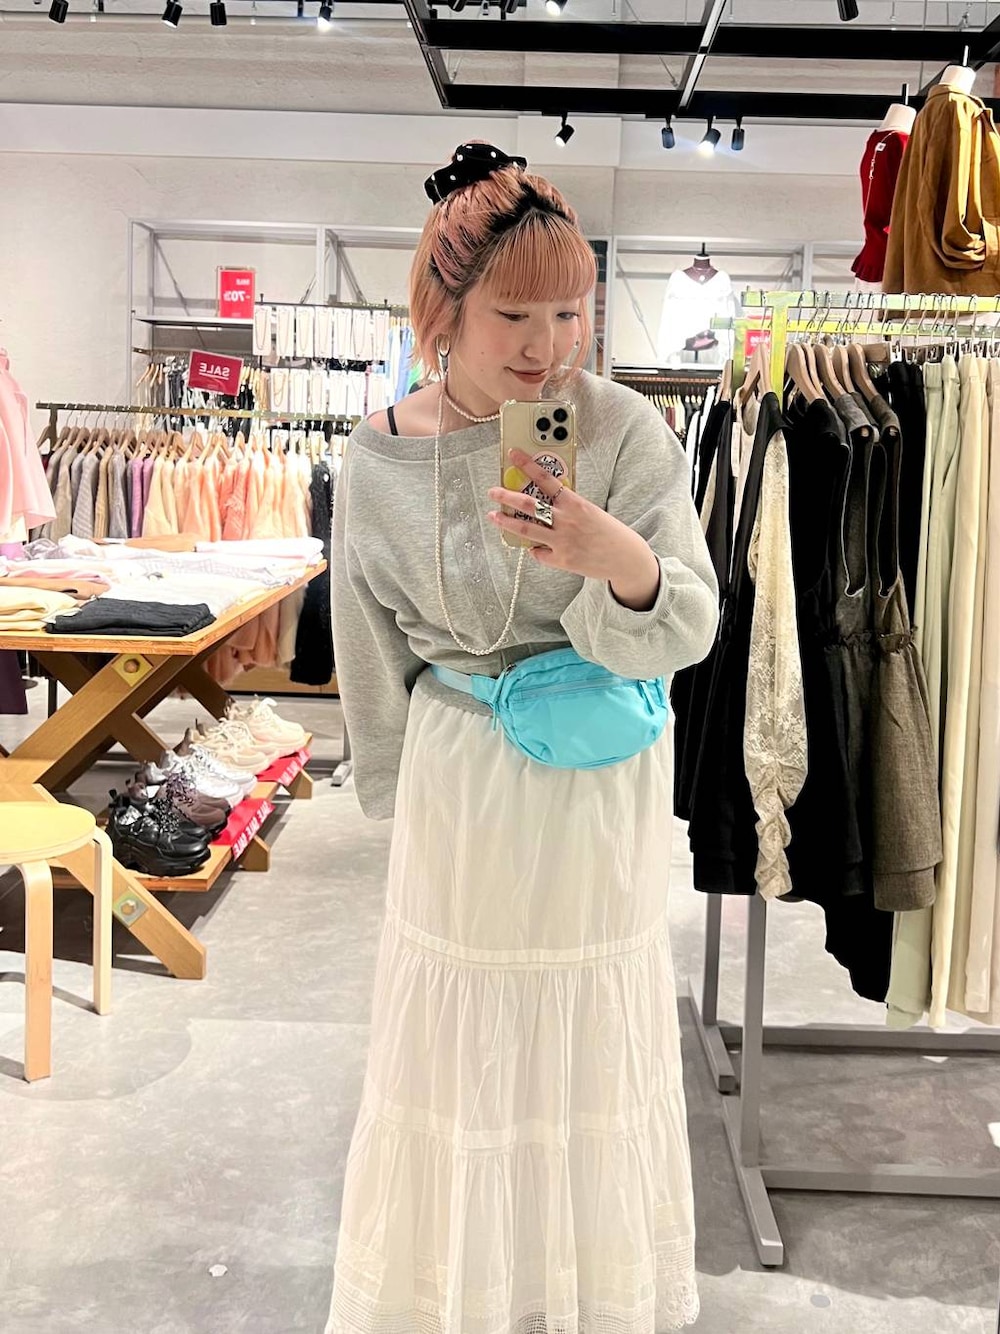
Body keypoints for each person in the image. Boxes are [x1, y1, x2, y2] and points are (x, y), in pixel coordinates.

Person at [326, 142, 718, 1333]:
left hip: (593, 775)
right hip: (460, 774)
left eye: (571, 310)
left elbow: (690, 624)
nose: (548, 344)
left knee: (588, 1029)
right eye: (514, 314)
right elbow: (364, 637)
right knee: (457, 1036)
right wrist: (387, 779)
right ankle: (460, 1291)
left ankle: (581, 1292)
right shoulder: (377, 452)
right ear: (442, 312)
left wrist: (615, 559)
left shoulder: (624, 429)